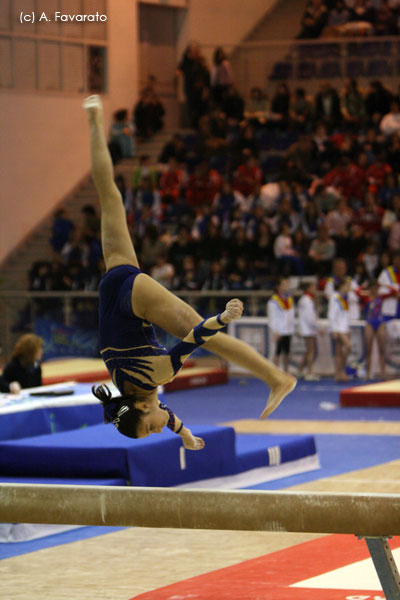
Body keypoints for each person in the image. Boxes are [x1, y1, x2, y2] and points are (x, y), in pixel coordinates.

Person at [82, 95, 296, 446]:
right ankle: (93, 121)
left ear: (140, 406)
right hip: (112, 285)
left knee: (216, 340)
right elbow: (157, 410)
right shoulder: (129, 392)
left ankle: (276, 378)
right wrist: (185, 435)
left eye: (152, 427)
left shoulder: (157, 375)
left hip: (133, 298)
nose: (158, 426)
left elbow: (197, 336)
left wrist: (224, 316)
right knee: (109, 196)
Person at [267, 277, 295, 372]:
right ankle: (275, 373)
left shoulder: (289, 299)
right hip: (279, 330)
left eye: (287, 285)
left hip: (288, 330)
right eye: (284, 285)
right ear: (278, 287)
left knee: (287, 352)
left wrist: (292, 328)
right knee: (277, 352)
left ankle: (286, 373)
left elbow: (291, 315)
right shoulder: (273, 301)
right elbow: (272, 317)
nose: (286, 287)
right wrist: (275, 330)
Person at [328, 278, 352, 381]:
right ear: (342, 286)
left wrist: (348, 327)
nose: (349, 288)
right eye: (347, 286)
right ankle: (340, 371)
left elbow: (345, 315)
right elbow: (331, 314)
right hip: (338, 328)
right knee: (349, 346)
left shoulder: (345, 298)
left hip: (344, 327)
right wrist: (334, 329)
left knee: (339, 352)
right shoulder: (335, 297)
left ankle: (338, 373)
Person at [297, 281, 319, 380]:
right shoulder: (307, 300)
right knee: (311, 351)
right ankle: (309, 372)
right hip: (309, 329)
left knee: (308, 351)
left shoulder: (304, 299)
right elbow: (309, 317)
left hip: (306, 328)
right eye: (313, 287)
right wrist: (316, 327)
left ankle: (300, 370)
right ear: (309, 289)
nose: (315, 289)